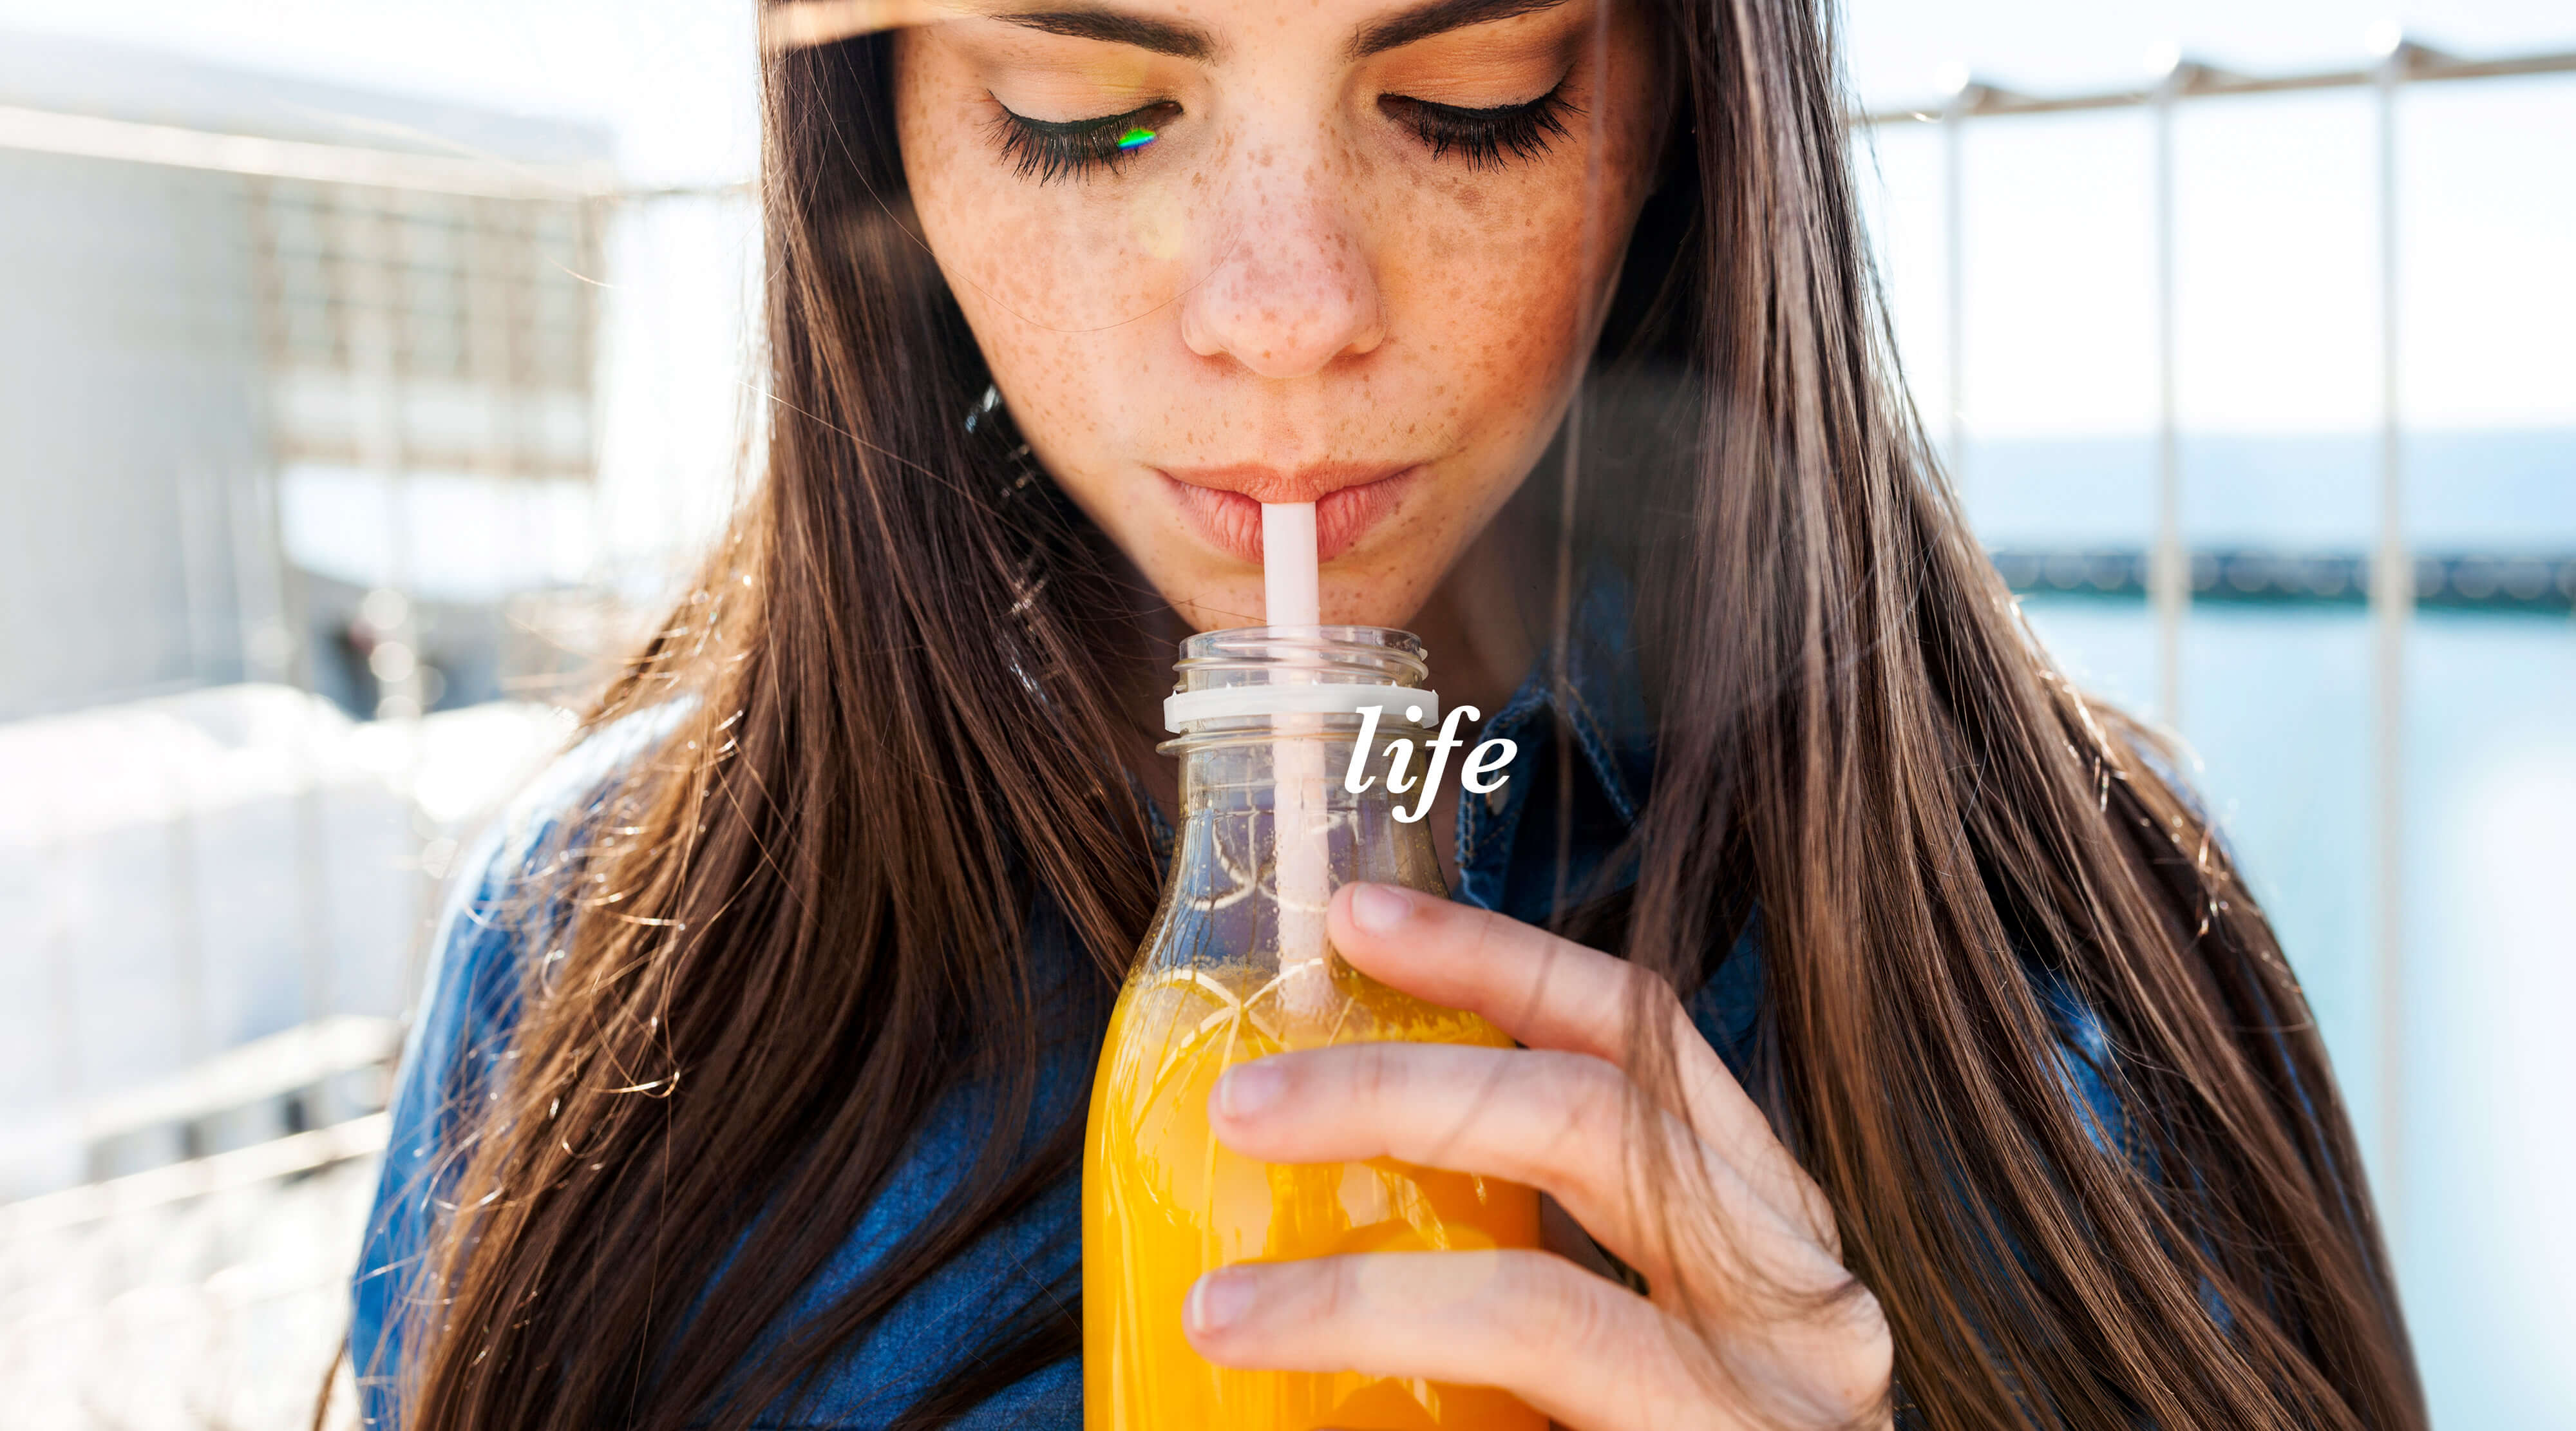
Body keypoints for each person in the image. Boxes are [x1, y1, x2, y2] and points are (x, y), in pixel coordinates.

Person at [349, 0, 2424, 1425]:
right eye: (1085, 102)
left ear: (1686, 79)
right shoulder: (608, 949)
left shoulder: (2068, 975)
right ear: (873, 111)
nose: (1282, 314)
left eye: (1476, 90)